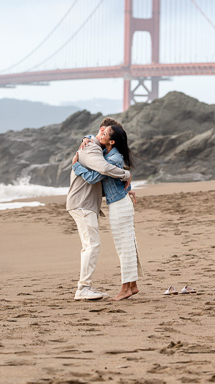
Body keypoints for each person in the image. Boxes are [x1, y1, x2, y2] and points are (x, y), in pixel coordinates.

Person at [72, 118, 139, 301]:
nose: (100, 133)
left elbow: (95, 177)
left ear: (112, 141)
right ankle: (132, 286)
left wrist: (76, 165)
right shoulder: (106, 151)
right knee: (127, 245)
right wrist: (87, 138)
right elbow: (113, 180)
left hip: (119, 205)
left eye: (105, 132)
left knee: (124, 246)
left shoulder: (113, 158)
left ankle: (126, 288)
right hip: (118, 202)